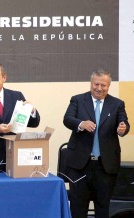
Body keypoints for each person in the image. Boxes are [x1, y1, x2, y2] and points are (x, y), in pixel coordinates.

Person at [63, 68, 130, 218]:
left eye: (103, 85)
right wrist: (81, 124)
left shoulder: (117, 104)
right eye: (96, 84)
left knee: (103, 207)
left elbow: (124, 124)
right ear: (91, 83)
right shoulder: (78, 100)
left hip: (105, 166)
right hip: (80, 165)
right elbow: (67, 119)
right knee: (78, 208)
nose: (99, 88)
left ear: (108, 86)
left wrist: (123, 129)